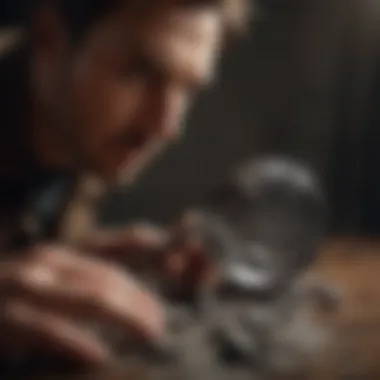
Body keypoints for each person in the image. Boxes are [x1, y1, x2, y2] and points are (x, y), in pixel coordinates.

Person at [0, 0, 249, 370]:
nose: (166, 126)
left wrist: (76, 257)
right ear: (49, 40)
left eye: (189, 90)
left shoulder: (79, 136)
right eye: (140, 73)